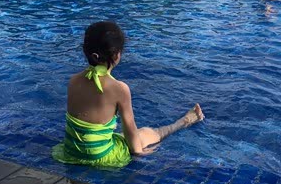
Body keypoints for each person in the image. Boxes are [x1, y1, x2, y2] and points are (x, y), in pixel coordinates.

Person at [52, 21, 204, 168]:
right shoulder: (119, 88)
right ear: (117, 55)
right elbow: (130, 128)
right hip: (100, 156)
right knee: (146, 133)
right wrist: (138, 151)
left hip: (72, 152)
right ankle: (183, 122)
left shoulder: (73, 81)